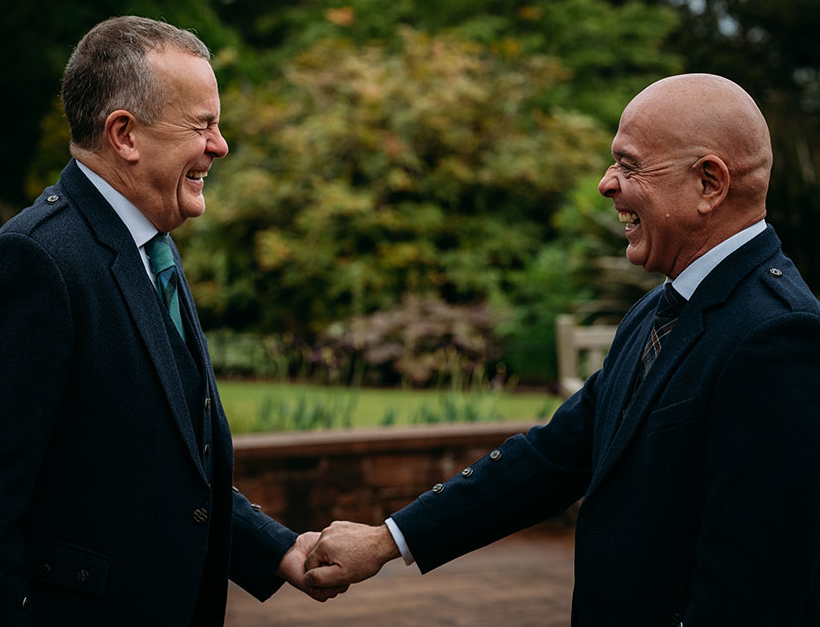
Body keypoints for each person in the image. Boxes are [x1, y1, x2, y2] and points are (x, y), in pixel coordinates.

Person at [303, 74, 820, 625]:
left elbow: (755, 588)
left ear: (709, 184)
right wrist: (390, 539)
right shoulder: (658, 311)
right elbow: (553, 457)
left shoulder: (778, 336)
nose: (606, 183)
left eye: (629, 164)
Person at [0, 16, 344, 627]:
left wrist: (277, 548)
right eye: (202, 125)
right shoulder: (35, 262)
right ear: (124, 134)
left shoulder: (148, 249)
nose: (220, 145)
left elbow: (151, 465)